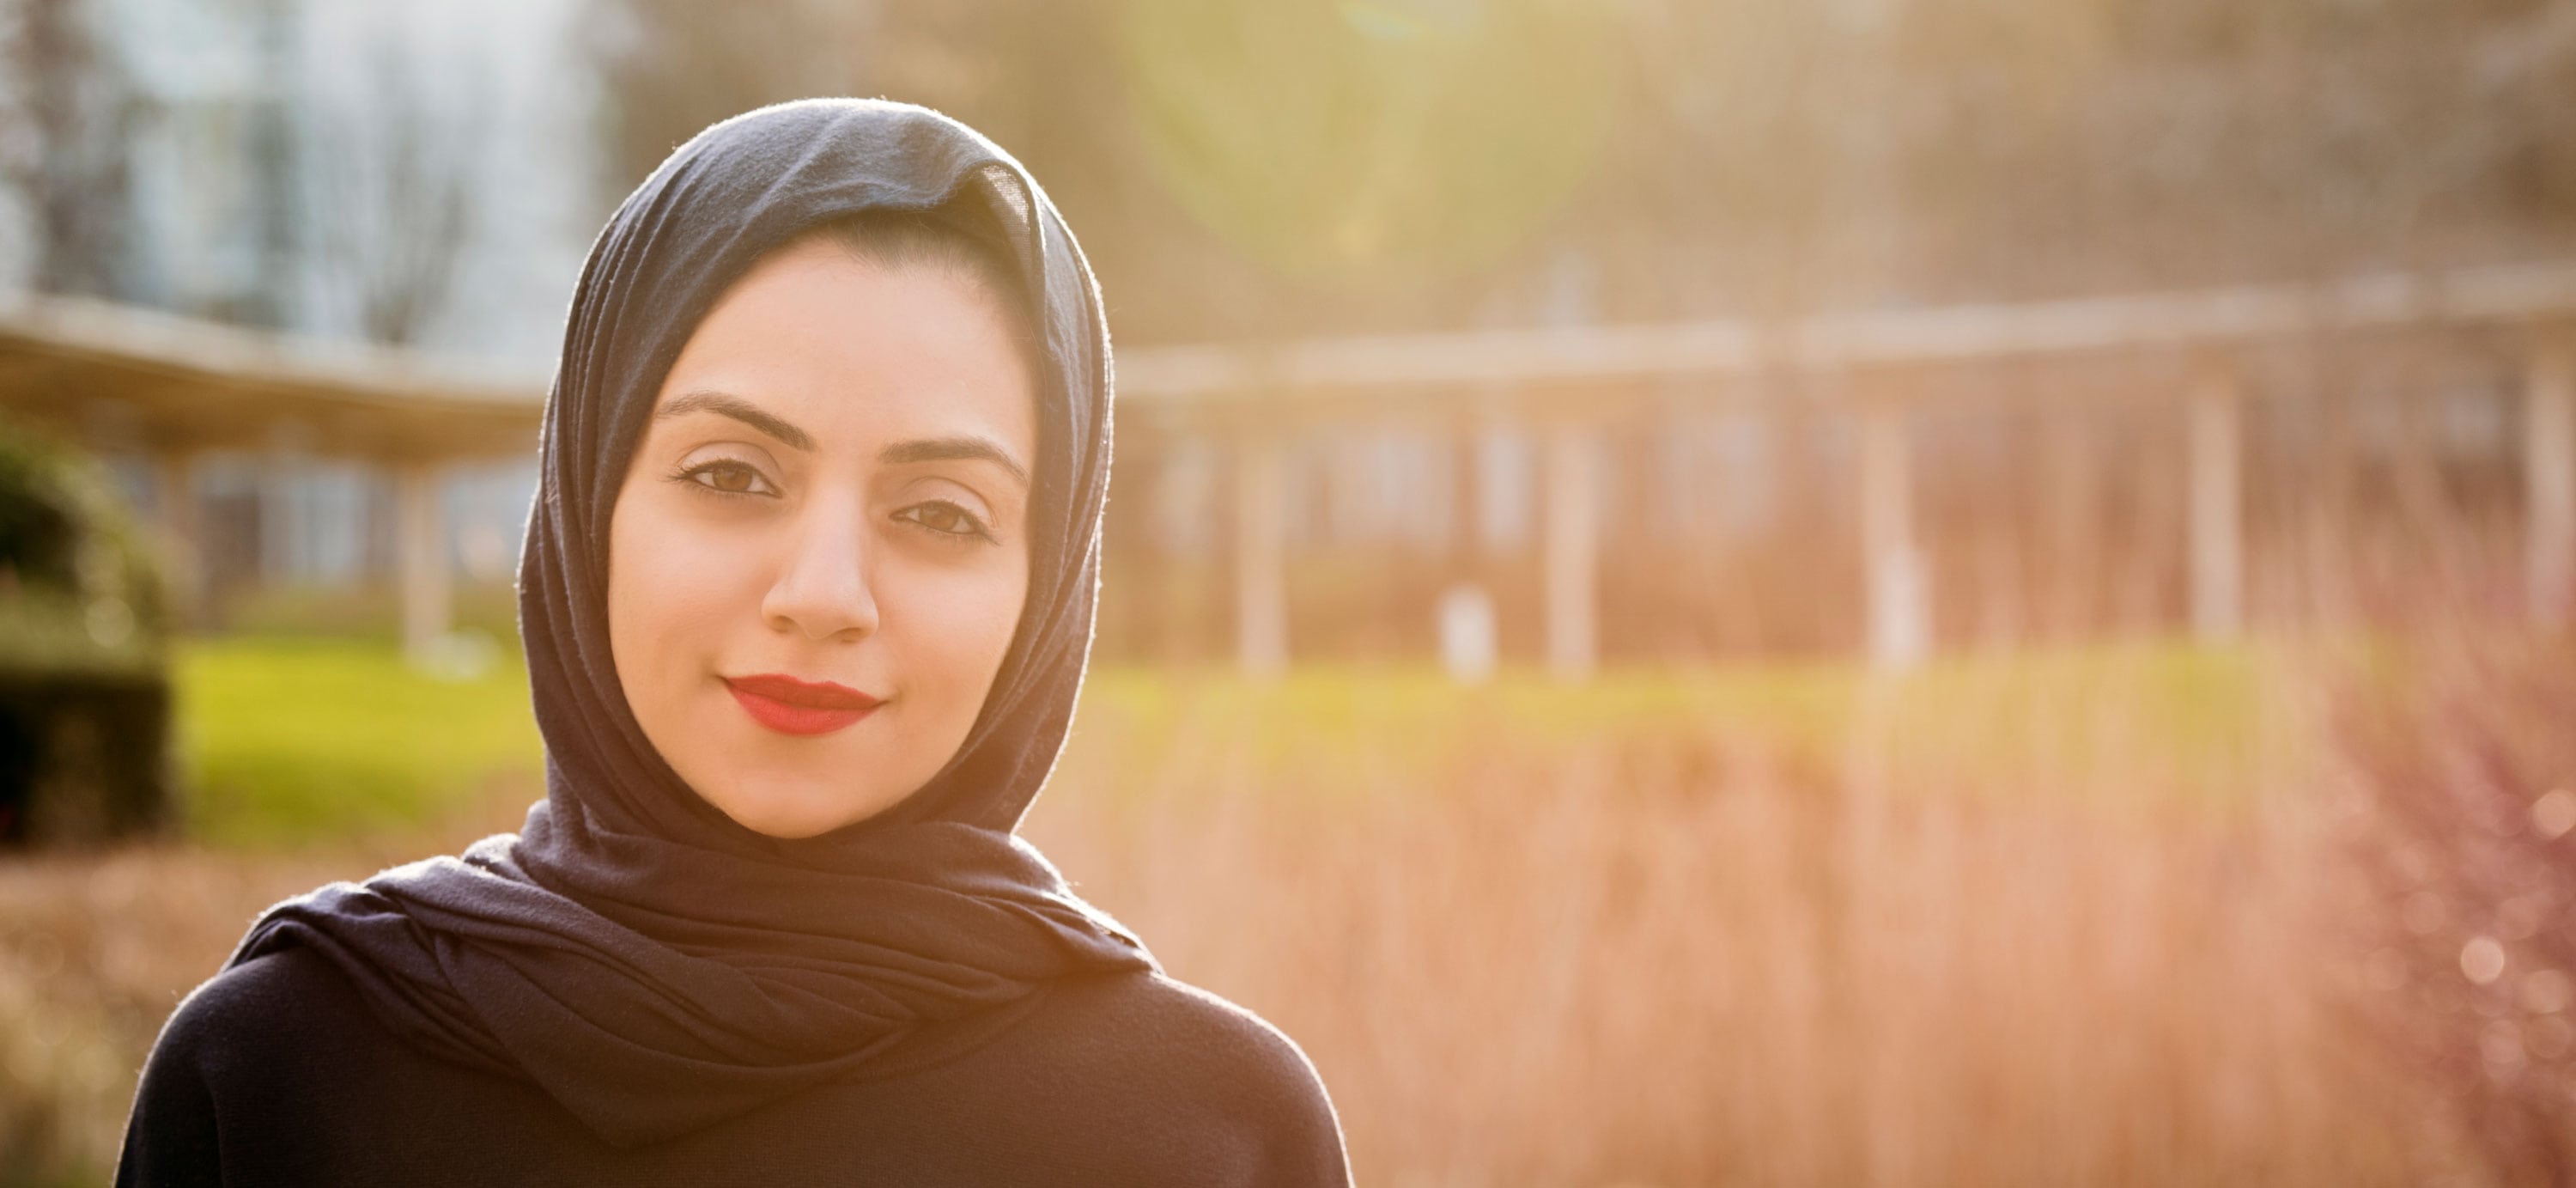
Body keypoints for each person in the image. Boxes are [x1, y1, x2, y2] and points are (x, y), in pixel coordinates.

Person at [112, 99, 1352, 1185]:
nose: (824, 595)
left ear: (1047, 585)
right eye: (730, 475)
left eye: (939, 512)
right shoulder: (284, 1077)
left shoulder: (1213, 1137)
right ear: (590, 504)